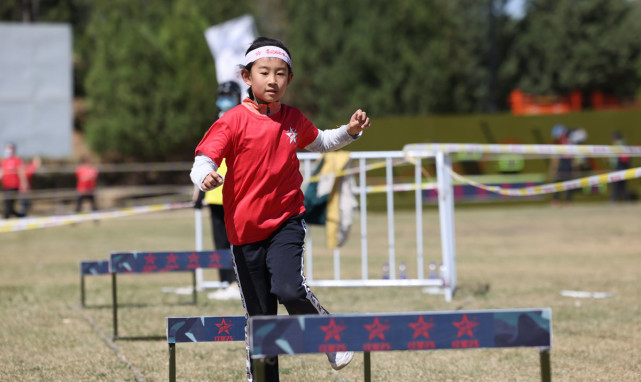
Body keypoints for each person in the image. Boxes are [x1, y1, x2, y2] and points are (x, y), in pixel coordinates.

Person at [190, 37, 371, 382]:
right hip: (243, 233)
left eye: (281, 74)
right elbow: (204, 158)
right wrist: (205, 176)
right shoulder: (231, 121)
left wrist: (349, 132)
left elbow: (320, 141)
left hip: (286, 221)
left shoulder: (293, 119)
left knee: (288, 288)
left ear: (289, 79)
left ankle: (330, 337)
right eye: (264, 73)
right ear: (247, 77)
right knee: (261, 321)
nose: (273, 80)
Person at [193, 80, 242, 301]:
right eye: (221, 95)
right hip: (214, 194)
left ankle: (238, 282)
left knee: (237, 241)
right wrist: (199, 192)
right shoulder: (215, 123)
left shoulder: (241, 121)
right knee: (219, 242)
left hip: (236, 192)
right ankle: (225, 282)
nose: (224, 99)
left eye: (228, 95)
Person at [549, 124, 575, 207]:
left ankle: (559, 201)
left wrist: (553, 168)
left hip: (565, 163)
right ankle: (566, 201)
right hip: (566, 163)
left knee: (561, 182)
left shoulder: (563, 141)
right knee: (564, 183)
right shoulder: (568, 141)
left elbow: (556, 158)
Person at [1, 143, 27, 219]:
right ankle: (21, 216)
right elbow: (2, 172)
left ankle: (7, 218)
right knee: (8, 204)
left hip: (14, 186)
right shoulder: (4, 161)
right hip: (5, 186)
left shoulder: (16, 160)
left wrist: (23, 184)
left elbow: (21, 173)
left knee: (9, 204)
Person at [609, 130, 630, 202]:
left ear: (615, 138)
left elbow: (615, 158)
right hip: (625, 166)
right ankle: (627, 199)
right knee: (623, 185)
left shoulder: (617, 144)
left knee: (616, 184)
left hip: (619, 166)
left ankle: (614, 199)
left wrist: (609, 160)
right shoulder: (625, 143)